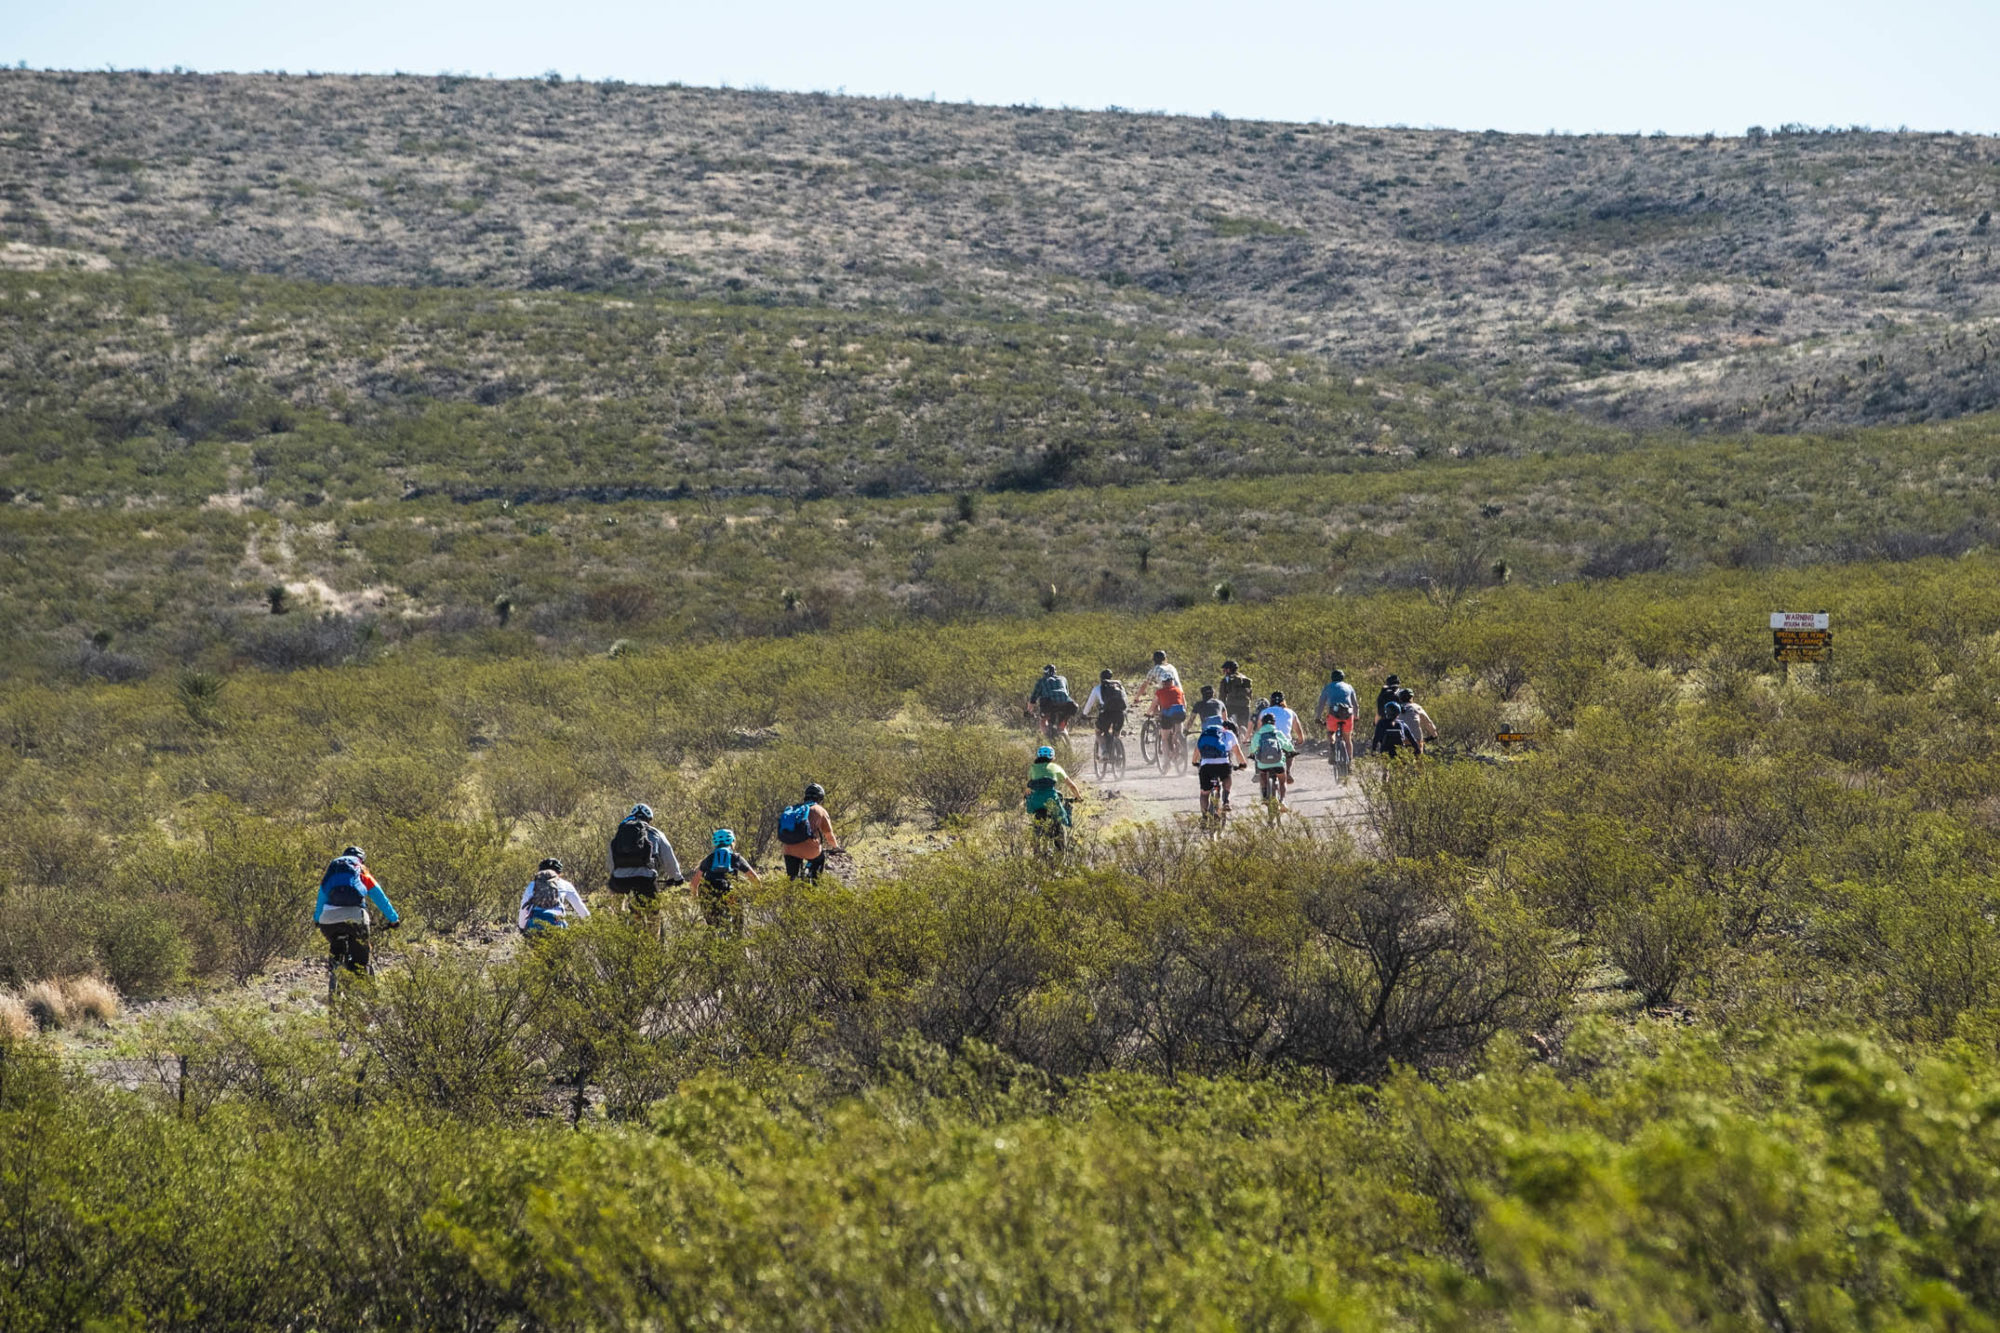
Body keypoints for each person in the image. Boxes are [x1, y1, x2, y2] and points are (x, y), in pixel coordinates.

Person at [313, 845, 400, 977]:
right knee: (360, 960)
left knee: (335, 943)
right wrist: (393, 919)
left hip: (328, 920)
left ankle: (335, 967)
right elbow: (380, 898)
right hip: (355, 918)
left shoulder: (331, 874)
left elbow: (321, 900)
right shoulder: (361, 872)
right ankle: (360, 983)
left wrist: (317, 920)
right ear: (361, 860)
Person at [607, 802, 684, 908]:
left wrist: (615, 874)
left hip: (619, 881)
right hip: (645, 879)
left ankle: (617, 920)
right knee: (652, 915)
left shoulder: (620, 834)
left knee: (615, 914)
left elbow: (611, 860)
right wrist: (677, 877)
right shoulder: (656, 833)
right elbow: (668, 858)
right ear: (648, 819)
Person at [693, 829, 761, 931]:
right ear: (732, 842)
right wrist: (756, 895)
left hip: (709, 894)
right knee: (738, 918)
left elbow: (695, 883)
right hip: (730, 893)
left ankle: (712, 937)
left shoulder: (709, 858)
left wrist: (697, 898)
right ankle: (738, 939)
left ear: (714, 843)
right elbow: (755, 879)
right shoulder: (736, 858)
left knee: (712, 925)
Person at [777, 783, 841, 881]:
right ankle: (815, 886)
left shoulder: (795, 809)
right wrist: (836, 847)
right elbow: (829, 835)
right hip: (810, 850)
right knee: (820, 858)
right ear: (820, 798)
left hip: (789, 849)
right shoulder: (820, 810)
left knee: (791, 878)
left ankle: (791, 887)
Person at [1193, 715, 1246, 819]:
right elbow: (1238, 752)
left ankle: (1204, 817)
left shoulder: (1204, 734)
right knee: (1227, 777)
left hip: (1206, 765)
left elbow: (1196, 751)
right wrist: (1243, 764)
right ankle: (1226, 800)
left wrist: (1194, 762)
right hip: (1222, 764)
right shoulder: (1228, 733)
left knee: (1204, 793)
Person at [519, 857, 590, 936]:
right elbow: (580, 908)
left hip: (535, 926)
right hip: (557, 926)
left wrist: (521, 927)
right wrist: (591, 925)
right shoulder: (565, 885)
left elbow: (523, 908)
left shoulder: (532, 885)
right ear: (559, 874)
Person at [1024, 744, 1082, 832]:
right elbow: (1071, 786)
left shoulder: (1032, 768)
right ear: (1052, 757)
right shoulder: (1056, 768)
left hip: (1035, 802)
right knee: (1064, 819)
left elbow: (1028, 788)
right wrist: (1078, 797)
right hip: (1051, 799)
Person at [1249, 711, 1297, 808]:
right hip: (1278, 763)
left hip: (1263, 764)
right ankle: (1282, 800)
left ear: (1262, 723)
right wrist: (1291, 751)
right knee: (1282, 781)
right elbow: (1289, 747)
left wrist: (1253, 754)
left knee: (1262, 774)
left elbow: (1252, 749)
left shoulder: (1258, 735)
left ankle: (1265, 795)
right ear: (1274, 723)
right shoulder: (1278, 733)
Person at [1081, 669, 1130, 754]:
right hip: (1119, 714)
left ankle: (1104, 752)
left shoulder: (1097, 688)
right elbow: (1125, 700)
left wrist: (1084, 714)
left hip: (1106, 714)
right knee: (1116, 732)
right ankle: (1118, 748)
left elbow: (1089, 703)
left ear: (1101, 678)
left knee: (1098, 731)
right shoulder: (1119, 686)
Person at [1263, 690, 1307, 777]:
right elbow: (1298, 730)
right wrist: (1300, 740)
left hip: (1267, 742)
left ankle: (1261, 774)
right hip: (1284, 742)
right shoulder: (1291, 712)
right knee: (1290, 749)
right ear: (1283, 701)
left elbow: (1259, 728)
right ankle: (1288, 771)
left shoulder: (1265, 711)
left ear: (1271, 701)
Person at [1317, 669, 1359, 756]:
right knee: (1348, 739)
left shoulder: (1328, 687)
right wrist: (1356, 717)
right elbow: (1355, 704)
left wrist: (1318, 717)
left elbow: (1321, 703)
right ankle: (1349, 763)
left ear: (1332, 678)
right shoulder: (1349, 687)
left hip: (1334, 714)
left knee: (1331, 732)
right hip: (1348, 714)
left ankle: (1332, 745)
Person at [1027, 664, 1078, 735]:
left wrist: (1029, 711)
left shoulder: (1041, 681)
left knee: (1043, 722)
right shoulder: (1063, 679)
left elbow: (1033, 699)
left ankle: (1048, 737)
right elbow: (1067, 693)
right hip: (1067, 705)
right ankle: (1066, 741)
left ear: (1044, 673)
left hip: (1049, 706)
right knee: (1062, 726)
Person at [1395, 688, 1438, 753]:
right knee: (1418, 760)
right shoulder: (1416, 707)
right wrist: (1434, 734)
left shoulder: (1396, 709)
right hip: (1416, 740)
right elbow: (1428, 723)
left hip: (1400, 740)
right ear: (1411, 697)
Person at [1218, 660, 1255, 733]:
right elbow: (1250, 695)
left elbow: (1222, 696)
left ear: (1228, 669)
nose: (1224, 671)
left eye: (1225, 669)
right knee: (1243, 726)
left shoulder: (1226, 679)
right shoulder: (1245, 679)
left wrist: (1221, 708)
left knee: (1228, 724)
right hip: (1245, 706)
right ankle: (1244, 739)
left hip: (1231, 706)